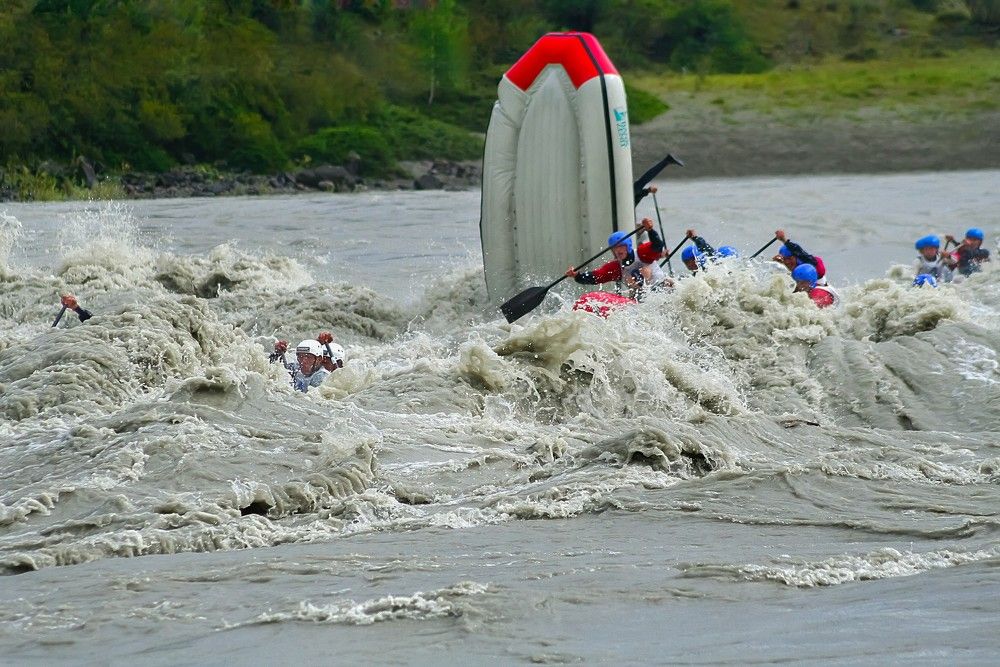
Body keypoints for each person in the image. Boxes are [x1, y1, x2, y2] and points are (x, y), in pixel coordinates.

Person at [566, 218, 665, 298]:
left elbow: (658, 246)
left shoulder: (642, 253)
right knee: (632, 281)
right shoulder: (616, 268)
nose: (618, 250)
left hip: (662, 288)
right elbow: (595, 277)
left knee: (644, 271)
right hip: (643, 298)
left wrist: (650, 231)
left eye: (621, 246)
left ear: (628, 246)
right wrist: (577, 275)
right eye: (615, 248)